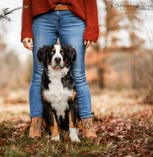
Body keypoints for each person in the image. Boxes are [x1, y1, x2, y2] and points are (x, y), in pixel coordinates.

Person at [21, 0, 99, 139]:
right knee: (38, 74)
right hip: (42, 17)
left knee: (79, 74)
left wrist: (92, 28)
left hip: (74, 17)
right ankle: (37, 123)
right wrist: (26, 30)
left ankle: (86, 122)